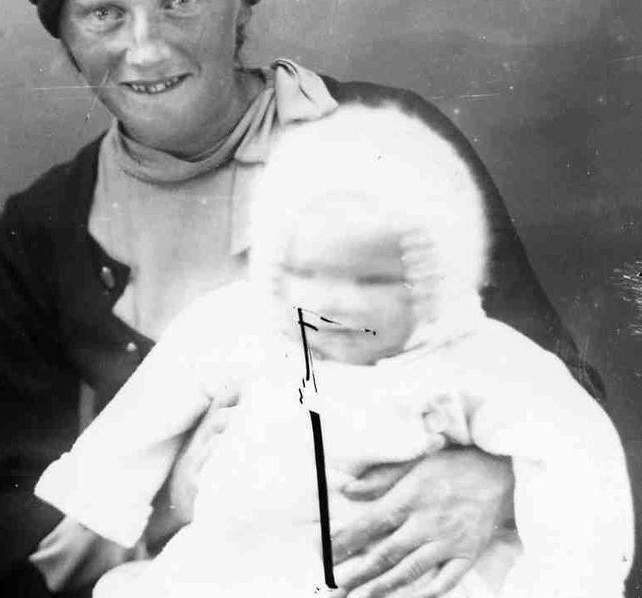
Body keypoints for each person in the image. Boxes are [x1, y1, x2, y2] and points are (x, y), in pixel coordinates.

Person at [0, 0, 604, 598]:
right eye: (104, 14)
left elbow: (554, 383)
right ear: (67, 37)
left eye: (181, 0)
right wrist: (175, 502)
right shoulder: (39, 235)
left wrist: (494, 478)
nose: (146, 48)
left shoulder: (391, 143)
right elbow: (4, 532)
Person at [33, 103, 633, 598]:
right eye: (308, 274)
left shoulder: (471, 357)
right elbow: (153, 399)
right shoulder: (242, 324)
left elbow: (574, 456)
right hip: (241, 565)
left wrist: (566, 584)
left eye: (372, 281)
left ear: (430, 279)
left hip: (398, 576)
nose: (333, 303)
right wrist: (102, 494)